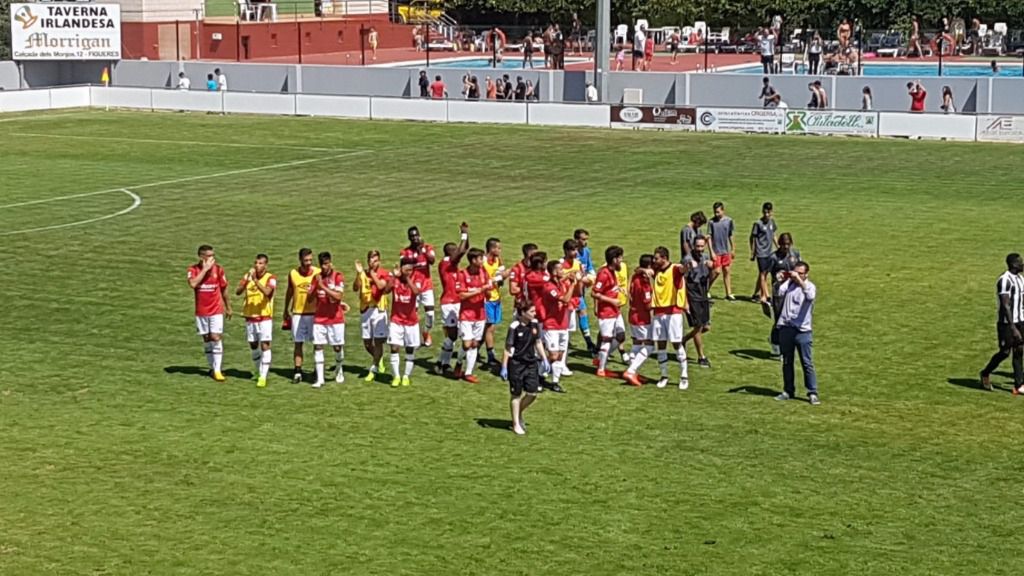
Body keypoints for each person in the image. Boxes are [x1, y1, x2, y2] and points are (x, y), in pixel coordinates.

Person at [774, 261, 819, 405]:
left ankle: (812, 392)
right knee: (787, 361)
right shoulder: (789, 285)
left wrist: (799, 281)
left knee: (807, 363)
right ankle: (788, 390)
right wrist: (784, 279)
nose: (796, 275)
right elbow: (779, 292)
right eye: (795, 272)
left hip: (802, 331)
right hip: (786, 328)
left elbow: (810, 296)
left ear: (806, 274)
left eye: (800, 273)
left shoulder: (810, 286)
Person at [500, 300, 547, 436]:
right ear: (523, 313)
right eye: (531, 311)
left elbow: (538, 342)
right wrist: (504, 367)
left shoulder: (535, 324)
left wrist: (544, 358)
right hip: (517, 364)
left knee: (532, 393)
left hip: (531, 363)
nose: (534, 313)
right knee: (516, 394)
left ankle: (518, 412)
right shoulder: (514, 327)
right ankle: (516, 423)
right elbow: (508, 348)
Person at [980, 253, 1024, 393]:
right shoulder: (1004, 280)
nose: (1023, 264)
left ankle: (1019, 385)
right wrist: (1013, 328)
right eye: (1020, 262)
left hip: (1021, 320)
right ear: (1014, 264)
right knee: (1005, 352)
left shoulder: (1021, 279)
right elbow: (1005, 305)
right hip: (1007, 323)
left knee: (1019, 350)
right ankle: (985, 373)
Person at [187, 245, 231, 382]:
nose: (212, 258)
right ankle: (212, 367)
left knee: (215, 337)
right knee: (206, 338)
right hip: (201, 311)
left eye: (213, 255)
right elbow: (193, 284)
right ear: (201, 257)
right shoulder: (193, 270)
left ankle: (217, 370)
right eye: (209, 256)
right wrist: (205, 270)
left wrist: (228, 307)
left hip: (216, 309)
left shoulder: (219, 270)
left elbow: (224, 289)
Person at [434, 223, 470, 375]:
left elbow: (464, 249)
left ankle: (443, 363)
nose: (458, 252)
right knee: (453, 335)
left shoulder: (455, 267)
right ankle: (441, 363)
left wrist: (467, 235)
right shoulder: (445, 263)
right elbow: (461, 251)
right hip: (449, 304)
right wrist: (463, 234)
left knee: (454, 336)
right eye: (454, 250)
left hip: (457, 302)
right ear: (449, 252)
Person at [651, 247, 689, 390]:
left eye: (656, 258)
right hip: (658, 311)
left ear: (664, 258)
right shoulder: (656, 270)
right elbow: (639, 269)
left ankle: (684, 376)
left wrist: (688, 266)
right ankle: (664, 375)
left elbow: (682, 270)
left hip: (673, 312)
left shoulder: (674, 269)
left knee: (676, 343)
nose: (654, 260)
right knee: (660, 344)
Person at [235, 254, 276, 388]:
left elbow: (267, 292)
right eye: (256, 263)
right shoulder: (248, 276)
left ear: (265, 265)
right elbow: (238, 292)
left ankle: (263, 376)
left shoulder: (270, 278)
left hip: (264, 317)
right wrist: (247, 281)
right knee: (253, 345)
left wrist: (255, 280)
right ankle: (258, 370)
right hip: (250, 317)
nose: (257, 266)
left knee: (265, 345)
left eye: (260, 263)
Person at [309, 251, 347, 388]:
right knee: (318, 346)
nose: (325, 266)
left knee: (337, 347)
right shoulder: (316, 278)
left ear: (330, 262)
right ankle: (320, 379)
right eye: (323, 264)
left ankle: (339, 368)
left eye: (327, 263)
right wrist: (315, 286)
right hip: (320, 318)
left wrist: (323, 287)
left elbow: (338, 296)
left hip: (335, 318)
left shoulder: (338, 277)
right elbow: (309, 299)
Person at [454, 248, 492, 383]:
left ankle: (468, 373)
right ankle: (459, 362)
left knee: (475, 344)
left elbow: (488, 294)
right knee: (466, 344)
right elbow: (461, 295)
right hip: (466, 315)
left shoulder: (483, 272)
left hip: (480, 314)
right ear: (473, 260)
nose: (482, 261)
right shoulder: (462, 274)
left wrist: (488, 290)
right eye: (481, 258)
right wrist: (480, 290)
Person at [384, 259, 423, 387]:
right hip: (396, 320)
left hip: (411, 322)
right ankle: (396, 377)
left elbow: (416, 292)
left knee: (409, 349)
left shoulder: (416, 278)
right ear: (400, 269)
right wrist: (393, 277)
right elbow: (386, 291)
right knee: (394, 347)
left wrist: (407, 278)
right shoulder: (395, 278)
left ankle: (406, 376)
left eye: (410, 270)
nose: (408, 272)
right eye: (406, 270)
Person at [541, 260, 578, 393]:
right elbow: (565, 299)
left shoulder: (559, 283)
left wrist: (569, 276)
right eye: (560, 269)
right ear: (554, 272)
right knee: (553, 355)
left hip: (563, 325)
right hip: (551, 325)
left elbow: (562, 279)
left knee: (560, 355)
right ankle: (539, 374)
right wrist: (572, 284)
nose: (563, 271)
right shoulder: (549, 288)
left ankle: (555, 382)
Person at [284, 248, 319, 383]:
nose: (308, 263)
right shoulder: (293, 273)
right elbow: (290, 291)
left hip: (314, 313)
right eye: (306, 260)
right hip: (298, 313)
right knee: (298, 343)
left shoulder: (317, 273)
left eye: (310, 260)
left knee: (317, 343)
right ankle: (298, 371)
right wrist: (285, 309)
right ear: (300, 260)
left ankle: (317, 369)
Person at [355, 250, 390, 382]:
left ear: (379, 261)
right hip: (366, 310)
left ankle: (373, 368)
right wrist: (359, 274)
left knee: (378, 341)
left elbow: (381, 286)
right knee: (367, 344)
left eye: (375, 260)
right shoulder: (363, 273)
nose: (373, 263)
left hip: (379, 310)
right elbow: (355, 288)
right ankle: (378, 359)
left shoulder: (383, 273)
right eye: (371, 260)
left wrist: (372, 274)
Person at [592, 246, 626, 377]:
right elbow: (595, 293)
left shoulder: (612, 272)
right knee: (607, 340)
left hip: (615, 311)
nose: (622, 260)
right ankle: (601, 368)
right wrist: (611, 301)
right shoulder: (604, 274)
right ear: (614, 259)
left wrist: (618, 290)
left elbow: (609, 288)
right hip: (607, 313)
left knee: (621, 336)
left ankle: (601, 357)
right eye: (620, 258)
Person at [400, 225, 437, 347]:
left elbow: (432, 261)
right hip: (412, 288)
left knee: (430, 315)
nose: (415, 238)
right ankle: (414, 339)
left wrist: (422, 250)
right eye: (412, 236)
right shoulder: (405, 252)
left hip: (426, 286)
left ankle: (426, 332)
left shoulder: (428, 248)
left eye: (416, 235)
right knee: (413, 315)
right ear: (409, 238)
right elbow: (403, 264)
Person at [622, 254, 655, 387]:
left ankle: (632, 370)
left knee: (636, 343)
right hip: (642, 318)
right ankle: (631, 371)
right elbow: (648, 305)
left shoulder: (635, 277)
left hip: (632, 315)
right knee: (649, 345)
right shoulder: (645, 284)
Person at [768, 233, 801, 356]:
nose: (786, 247)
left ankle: (788, 344)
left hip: (793, 290)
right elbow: (763, 275)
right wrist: (764, 294)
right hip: (779, 293)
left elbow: (801, 269)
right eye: (783, 244)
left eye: (788, 244)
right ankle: (775, 343)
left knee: (792, 318)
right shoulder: (773, 257)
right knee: (780, 319)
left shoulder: (795, 254)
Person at [683, 237, 713, 368]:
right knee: (698, 327)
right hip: (693, 296)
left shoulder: (705, 257)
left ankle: (683, 340)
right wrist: (685, 301)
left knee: (706, 327)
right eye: (697, 246)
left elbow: (714, 273)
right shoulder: (687, 260)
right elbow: (681, 281)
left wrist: (712, 268)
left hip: (703, 295)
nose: (700, 249)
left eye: (702, 246)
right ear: (693, 246)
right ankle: (701, 357)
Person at [568, 231, 597, 356]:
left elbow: (589, 267)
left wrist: (592, 276)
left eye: (586, 239)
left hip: (580, 291)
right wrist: (584, 279)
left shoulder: (587, 252)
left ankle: (589, 342)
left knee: (582, 312)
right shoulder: (572, 257)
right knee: (569, 319)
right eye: (583, 239)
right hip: (570, 293)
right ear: (576, 240)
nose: (585, 242)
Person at [750, 202, 778, 307]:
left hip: (769, 252)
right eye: (765, 212)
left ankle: (756, 294)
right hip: (761, 252)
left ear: (772, 212)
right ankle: (767, 296)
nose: (766, 215)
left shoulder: (772, 222)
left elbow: (773, 235)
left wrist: (778, 246)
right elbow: (752, 238)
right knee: (763, 274)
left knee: (764, 274)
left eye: (768, 212)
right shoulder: (758, 224)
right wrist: (753, 252)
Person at [482, 238, 505, 366]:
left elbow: (500, 280)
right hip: (487, 299)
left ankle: (475, 348)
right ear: (491, 248)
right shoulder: (483, 261)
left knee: (490, 327)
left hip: (496, 297)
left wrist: (501, 278)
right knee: (490, 327)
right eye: (498, 248)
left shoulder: (498, 260)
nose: (500, 250)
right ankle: (491, 356)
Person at [707, 201, 736, 301]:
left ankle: (729, 293)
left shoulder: (729, 221)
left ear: (723, 210)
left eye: (718, 212)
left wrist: (733, 248)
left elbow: (730, 235)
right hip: (716, 251)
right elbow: (709, 237)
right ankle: (706, 289)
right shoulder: (711, 222)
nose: (716, 214)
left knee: (727, 271)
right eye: (715, 212)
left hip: (725, 251)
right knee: (717, 271)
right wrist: (711, 251)